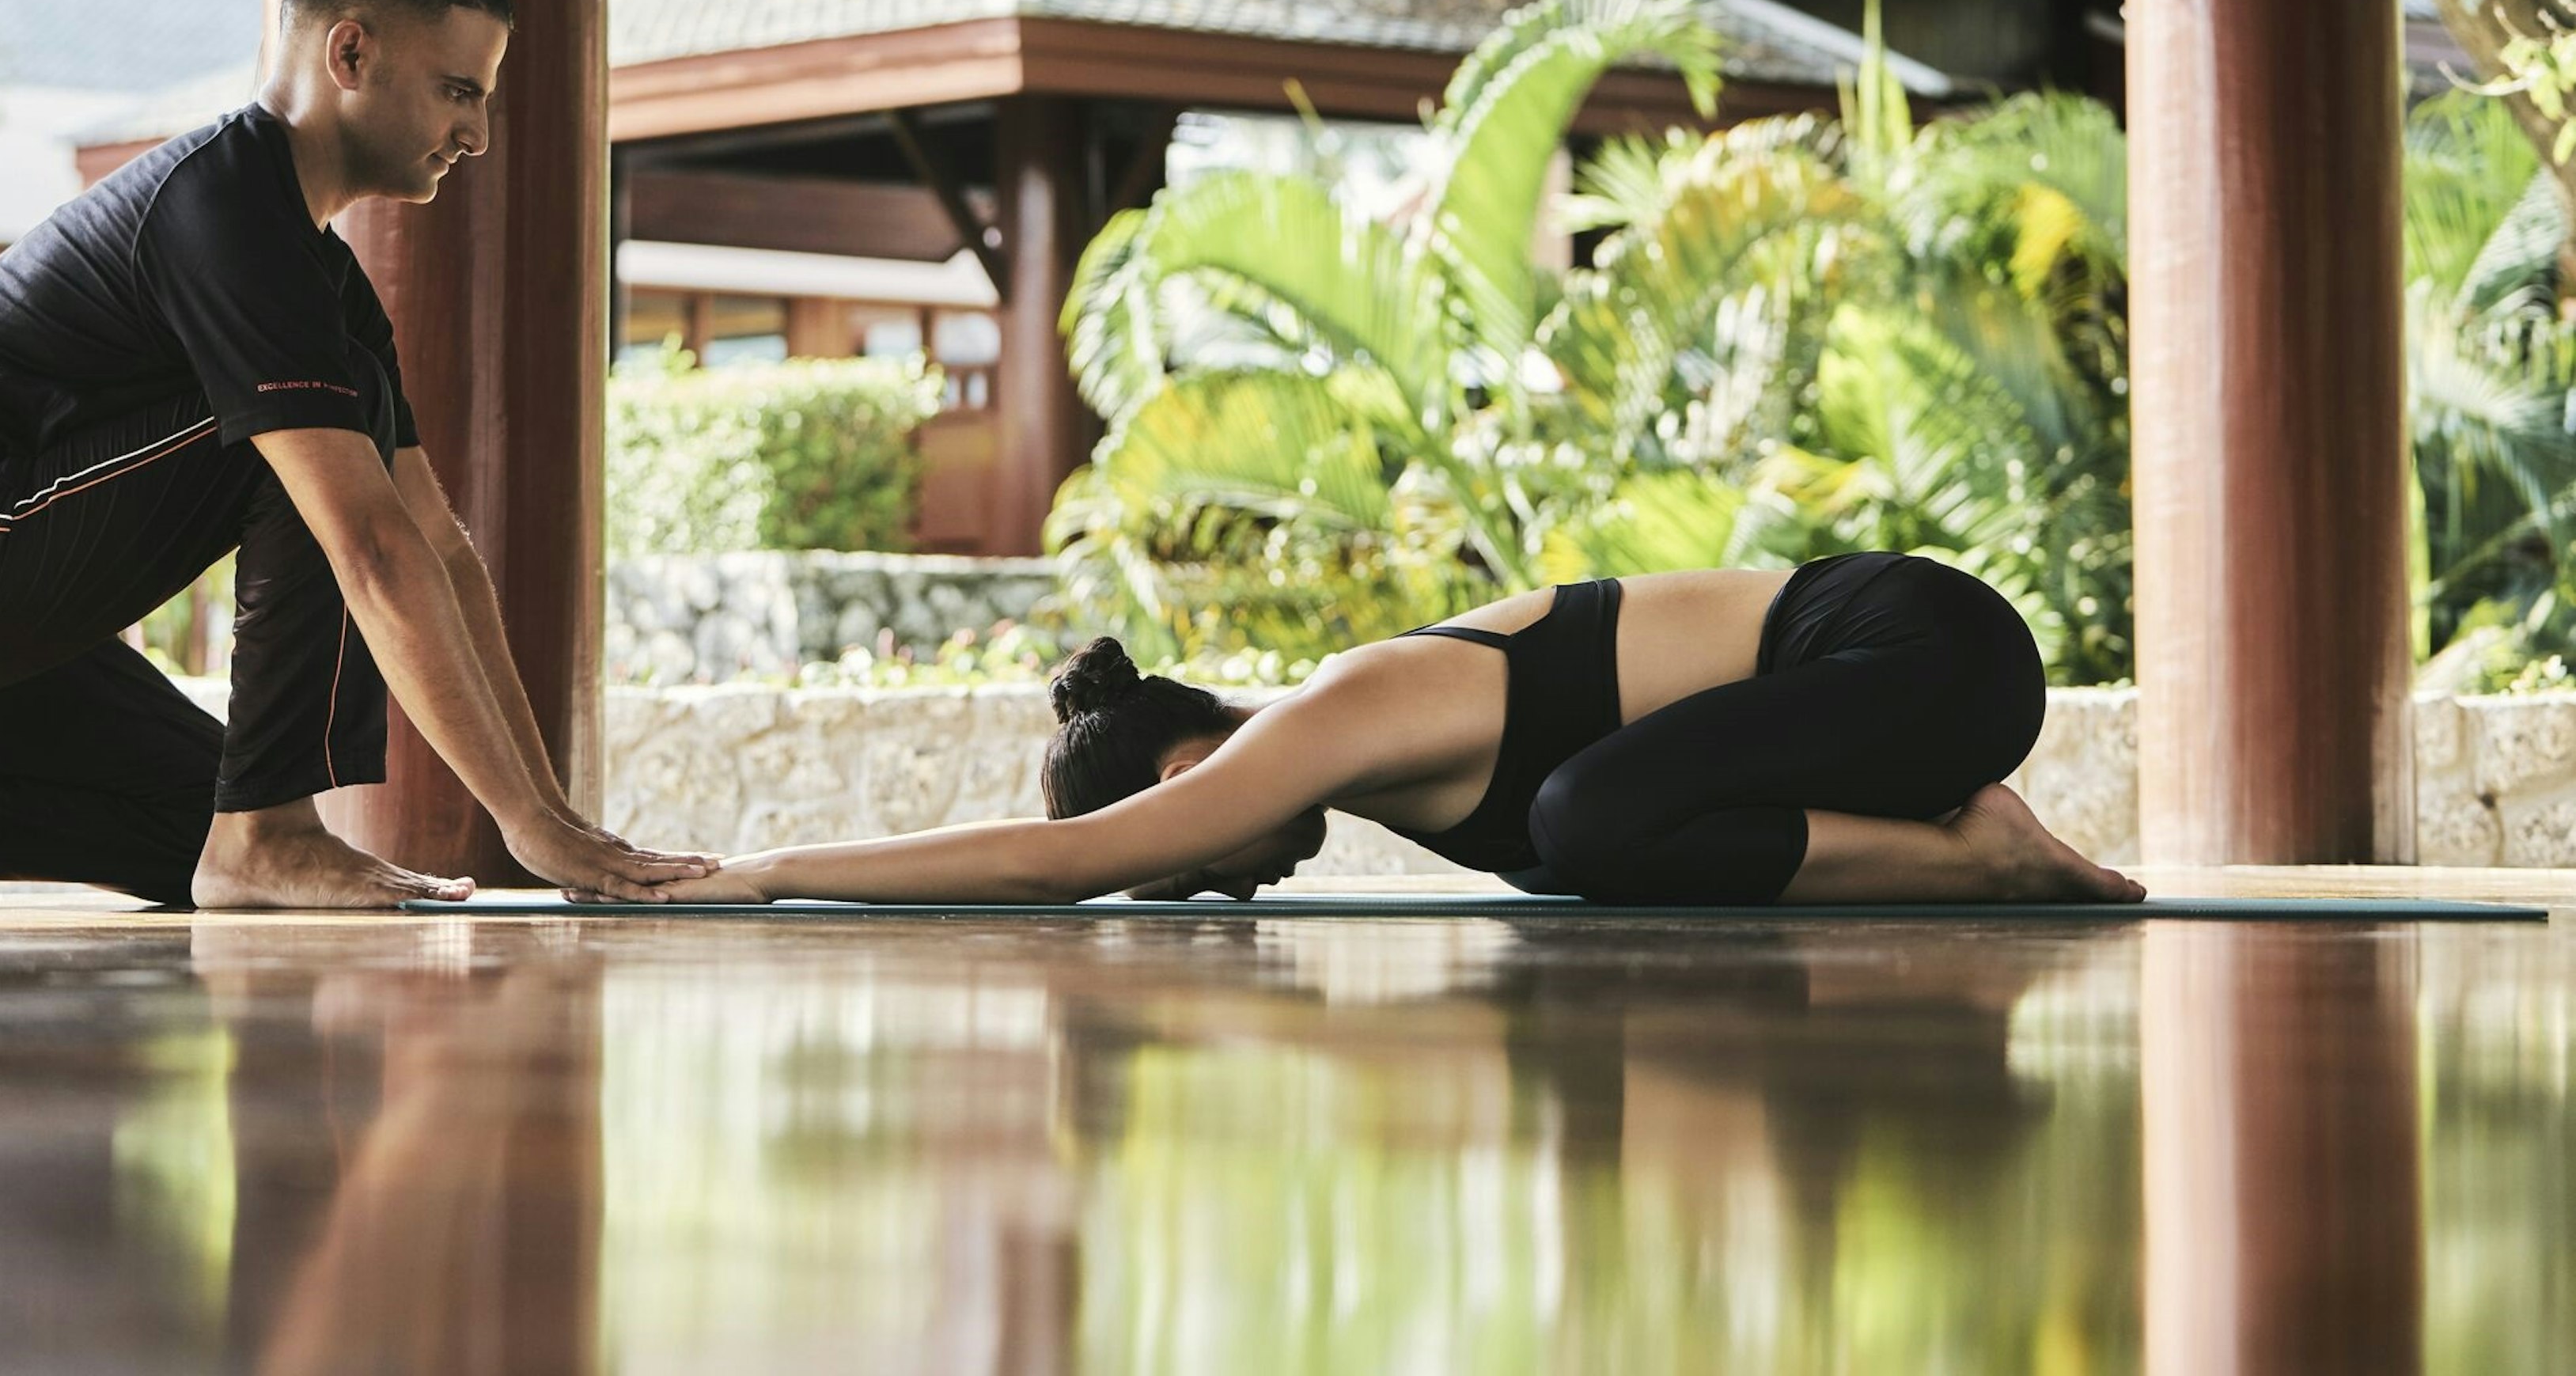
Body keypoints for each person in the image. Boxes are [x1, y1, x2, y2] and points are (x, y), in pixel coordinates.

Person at [0, 0, 713, 910]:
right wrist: (528, 827)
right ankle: (272, 830)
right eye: (458, 91)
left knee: (197, 835)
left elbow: (440, 549)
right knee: (303, 443)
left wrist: (548, 813)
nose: (475, 133)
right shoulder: (222, 203)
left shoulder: (324, 286)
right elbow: (371, 546)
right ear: (351, 52)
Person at [657, 552, 2143, 907]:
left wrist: (774, 865)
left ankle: (1981, 855)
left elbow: (1081, 857)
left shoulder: (1335, 709)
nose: (1237, 882)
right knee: (1580, 838)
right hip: (1898, 711)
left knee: (1577, 821)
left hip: (1923, 650)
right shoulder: (1375, 777)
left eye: (1200, 863)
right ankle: (1966, 840)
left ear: (1191, 773)